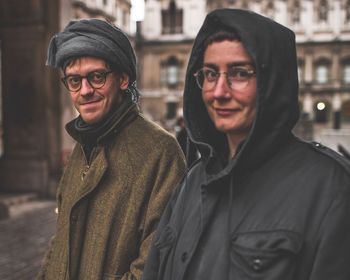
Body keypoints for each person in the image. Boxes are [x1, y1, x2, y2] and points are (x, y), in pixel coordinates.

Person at [142, 9, 350, 280]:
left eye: (240, 73)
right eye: (210, 74)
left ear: (272, 82)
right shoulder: (192, 181)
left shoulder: (331, 188)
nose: (219, 92)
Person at [37, 19, 185, 280]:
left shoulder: (161, 152)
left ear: (123, 78)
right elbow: (60, 242)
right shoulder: (81, 148)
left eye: (97, 77)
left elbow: (156, 265)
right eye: (74, 80)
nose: (85, 91)